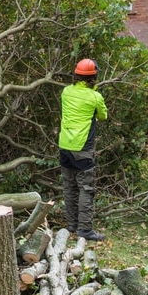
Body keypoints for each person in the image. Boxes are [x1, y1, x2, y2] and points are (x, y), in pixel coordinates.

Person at [59, 58, 107, 241]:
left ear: (76, 74)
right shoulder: (95, 97)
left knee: (69, 187)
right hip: (82, 149)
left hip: (64, 146)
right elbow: (103, 116)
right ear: (94, 77)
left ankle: (72, 224)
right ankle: (85, 230)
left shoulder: (66, 92)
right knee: (86, 189)